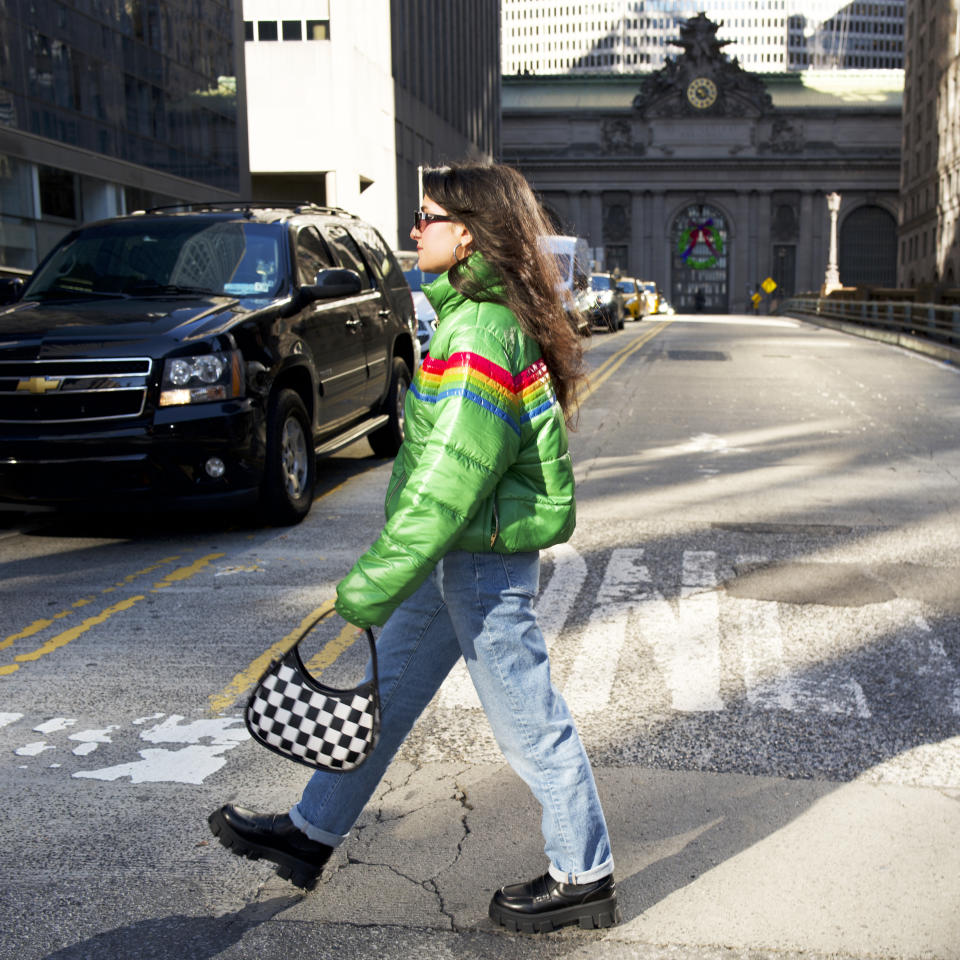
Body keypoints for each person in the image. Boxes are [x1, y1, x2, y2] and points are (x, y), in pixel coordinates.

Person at [208, 163, 619, 934]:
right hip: (463, 555)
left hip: (480, 559)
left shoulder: (478, 333)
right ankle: (310, 831)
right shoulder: (476, 317)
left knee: (528, 720)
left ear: (466, 233)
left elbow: (446, 484)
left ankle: (583, 873)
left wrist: (371, 583)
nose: (413, 230)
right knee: (386, 698)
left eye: (426, 216)